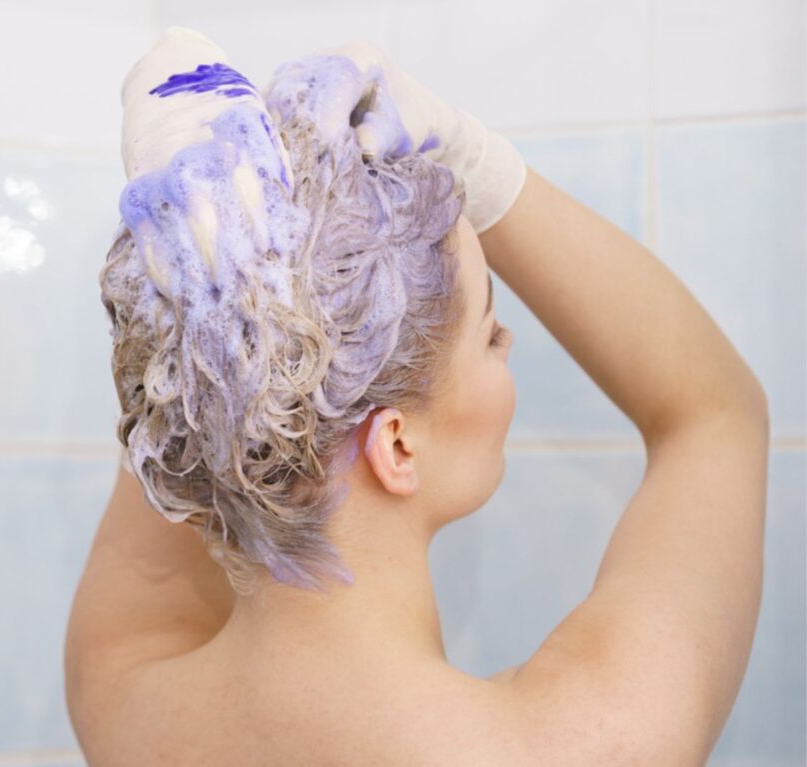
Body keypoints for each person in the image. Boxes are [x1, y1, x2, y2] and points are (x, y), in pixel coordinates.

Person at [65, 33, 769, 766]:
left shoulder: (125, 705)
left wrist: (213, 302)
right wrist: (478, 160)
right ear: (396, 445)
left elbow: (197, 412)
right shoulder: (584, 743)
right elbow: (715, 415)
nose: (509, 345)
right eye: (490, 333)